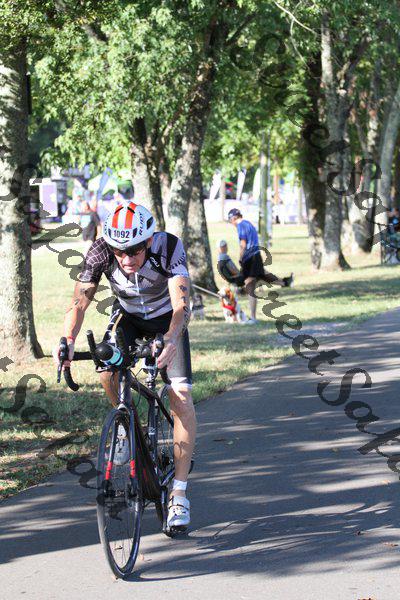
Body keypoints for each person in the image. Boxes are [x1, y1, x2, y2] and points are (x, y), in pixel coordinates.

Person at [54, 202, 195, 529]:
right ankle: (126, 426)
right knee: (105, 366)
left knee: (181, 398)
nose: (126, 258)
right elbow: (79, 301)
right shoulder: (100, 250)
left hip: (167, 322)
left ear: (148, 241)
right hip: (128, 319)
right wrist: (68, 339)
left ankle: (179, 494)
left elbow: (181, 305)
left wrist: (171, 339)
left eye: (133, 250)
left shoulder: (168, 247)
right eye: (119, 251)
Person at [227, 208, 293, 324]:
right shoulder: (249, 224)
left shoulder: (241, 226)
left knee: (250, 286)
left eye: (230, 221)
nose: (231, 224)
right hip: (256, 255)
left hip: (249, 257)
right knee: (263, 276)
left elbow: (243, 244)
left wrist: (240, 257)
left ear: (234, 218)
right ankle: (285, 282)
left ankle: (253, 318)